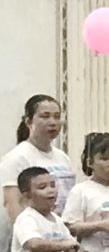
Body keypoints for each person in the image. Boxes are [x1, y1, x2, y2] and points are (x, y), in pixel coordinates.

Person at [2, 95, 77, 225]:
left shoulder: (63, 158)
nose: (52, 122)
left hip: (62, 230)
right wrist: (28, 232)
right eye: (45, 116)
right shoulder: (17, 157)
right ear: (28, 122)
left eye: (57, 117)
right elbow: (12, 204)